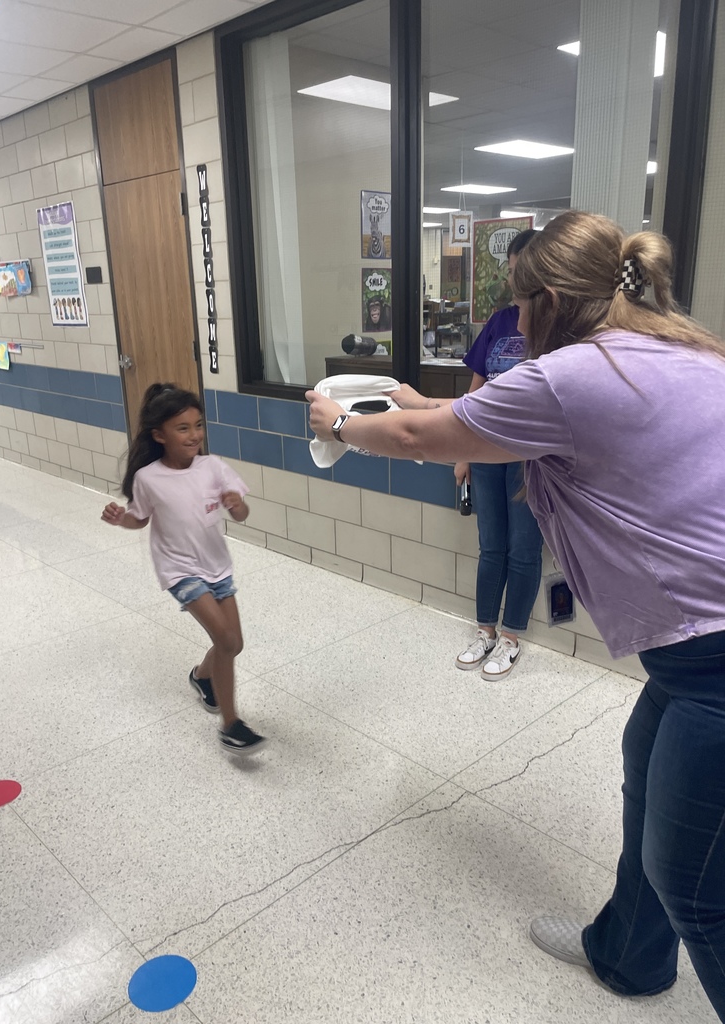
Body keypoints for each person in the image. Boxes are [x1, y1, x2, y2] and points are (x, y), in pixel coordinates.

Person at [306, 210, 725, 1020]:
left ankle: (649, 946)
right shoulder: (681, 353)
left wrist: (343, 424)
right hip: (689, 655)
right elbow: (489, 421)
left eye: (522, 303)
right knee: (647, 775)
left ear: (555, 299)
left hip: (714, 661)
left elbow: (427, 438)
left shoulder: (572, 374)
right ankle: (629, 959)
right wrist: (419, 403)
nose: (517, 319)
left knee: (696, 888)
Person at [396, 228, 542, 680]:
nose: (512, 279)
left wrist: (421, 406)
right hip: (484, 451)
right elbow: (475, 393)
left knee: (523, 547)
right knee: (490, 545)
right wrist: (462, 449)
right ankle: (485, 631)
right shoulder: (501, 322)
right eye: (511, 270)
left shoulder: (555, 331)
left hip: (528, 459)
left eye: (518, 272)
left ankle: (512, 636)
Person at [101, 383, 266, 756]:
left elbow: (241, 514)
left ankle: (201, 675)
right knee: (225, 640)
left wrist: (236, 504)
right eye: (183, 428)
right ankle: (230, 724)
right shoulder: (148, 478)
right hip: (179, 570)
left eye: (198, 426)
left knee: (233, 644)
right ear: (159, 435)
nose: (194, 436)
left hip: (217, 566)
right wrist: (120, 519)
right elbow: (139, 520)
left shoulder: (213, 467)